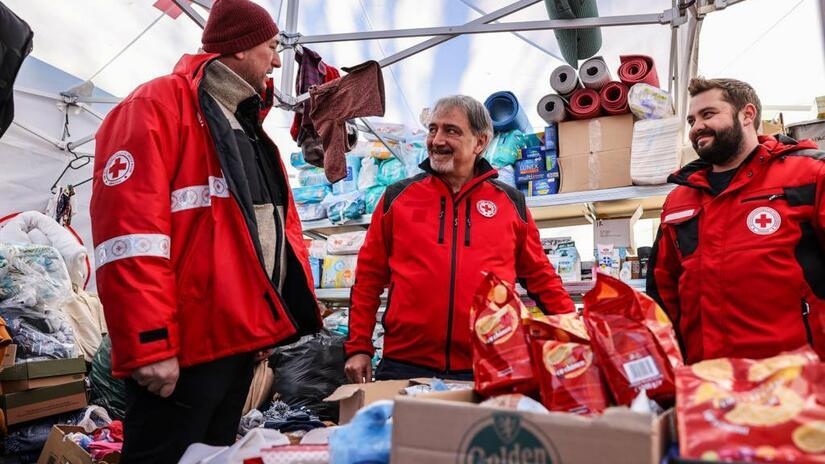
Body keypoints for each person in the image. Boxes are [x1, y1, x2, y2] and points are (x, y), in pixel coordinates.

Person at [89, 0, 321, 461]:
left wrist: (264, 327)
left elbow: (260, 236)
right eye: (272, 47)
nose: (278, 60)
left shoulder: (245, 123)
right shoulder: (155, 105)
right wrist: (149, 342)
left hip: (233, 344)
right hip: (182, 351)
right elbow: (127, 238)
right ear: (238, 48)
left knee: (212, 457)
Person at [344, 95, 575, 383]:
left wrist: (574, 329)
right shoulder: (397, 198)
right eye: (433, 129)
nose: (437, 140)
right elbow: (368, 278)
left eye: (451, 131)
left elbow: (541, 277)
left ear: (480, 142)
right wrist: (358, 347)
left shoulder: (510, 202)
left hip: (489, 365)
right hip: (405, 365)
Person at [647, 77, 825, 364]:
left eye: (708, 114)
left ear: (747, 115)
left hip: (795, 380)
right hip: (708, 380)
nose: (696, 127)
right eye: (692, 120)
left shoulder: (809, 174)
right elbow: (661, 291)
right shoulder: (679, 199)